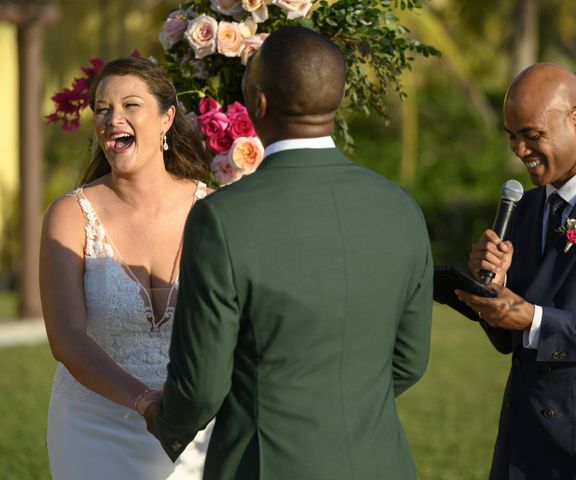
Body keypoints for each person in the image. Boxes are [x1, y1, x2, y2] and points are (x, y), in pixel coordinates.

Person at [145, 26, 433, 480]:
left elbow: (202, 385)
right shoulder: (402, 208)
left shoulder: (221, 220)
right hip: (381, 461)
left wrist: (166, 424)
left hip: (265, 463)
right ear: (336, 99)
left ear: (258, 103)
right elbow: (410, 360)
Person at [456, 63, 576, 479]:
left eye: (532, 135)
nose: (520, 150)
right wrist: (492, 293)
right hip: (522, 449)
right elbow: (511, 341)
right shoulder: (526, 209)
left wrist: (536, 319)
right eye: (512, 137)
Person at [40, 56, 215, 479]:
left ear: (166, 118)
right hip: (93, 429)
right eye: (102, 109)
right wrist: (143, 401)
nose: (112, 118)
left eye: (130, 105)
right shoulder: (70, 215)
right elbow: (65, 339)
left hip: (199, 432)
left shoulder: (214, 210)